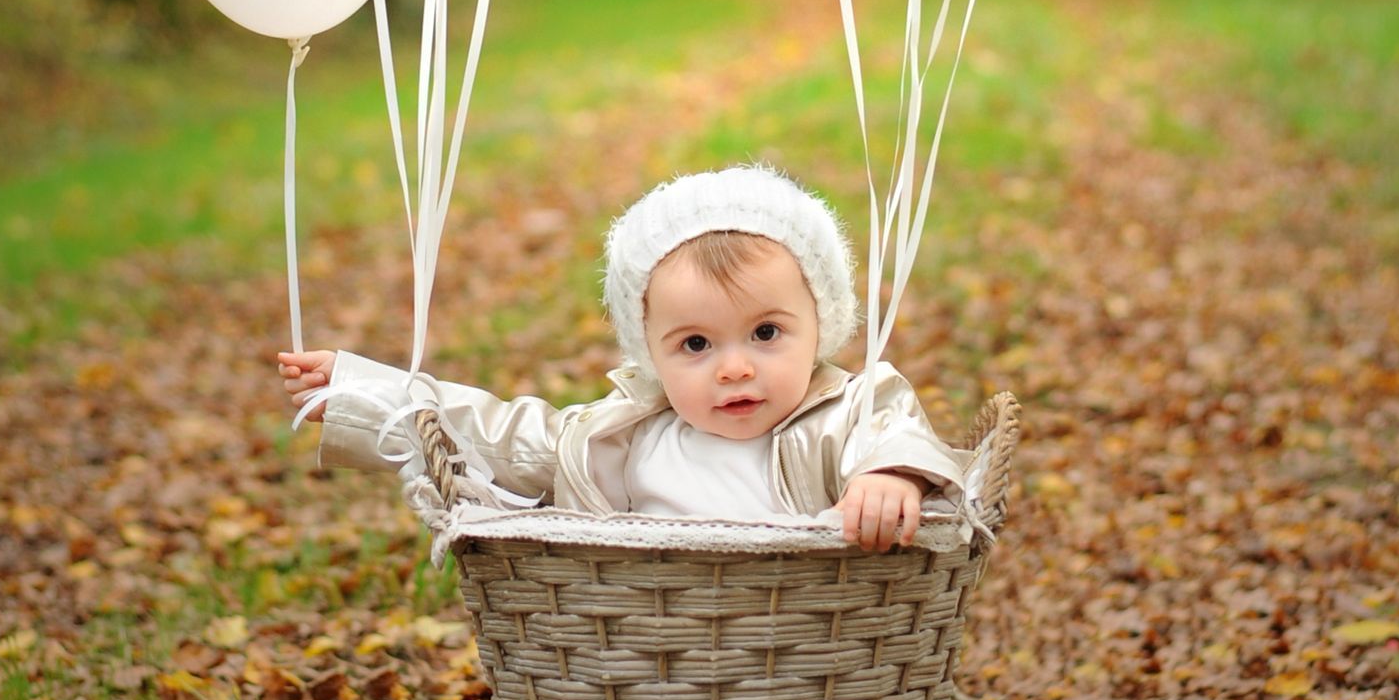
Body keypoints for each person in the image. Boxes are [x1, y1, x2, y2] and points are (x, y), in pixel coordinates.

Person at [278, 163, 965, 549]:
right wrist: (367, 393)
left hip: (801, 657)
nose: (734, 368)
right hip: (647, 661)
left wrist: (891, 478)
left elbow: (892, 425)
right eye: (695, 344)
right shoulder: (621, 439)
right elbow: (498, 435)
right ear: (650, 354)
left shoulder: (844, 417)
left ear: (821, 325)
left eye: (765, 334)